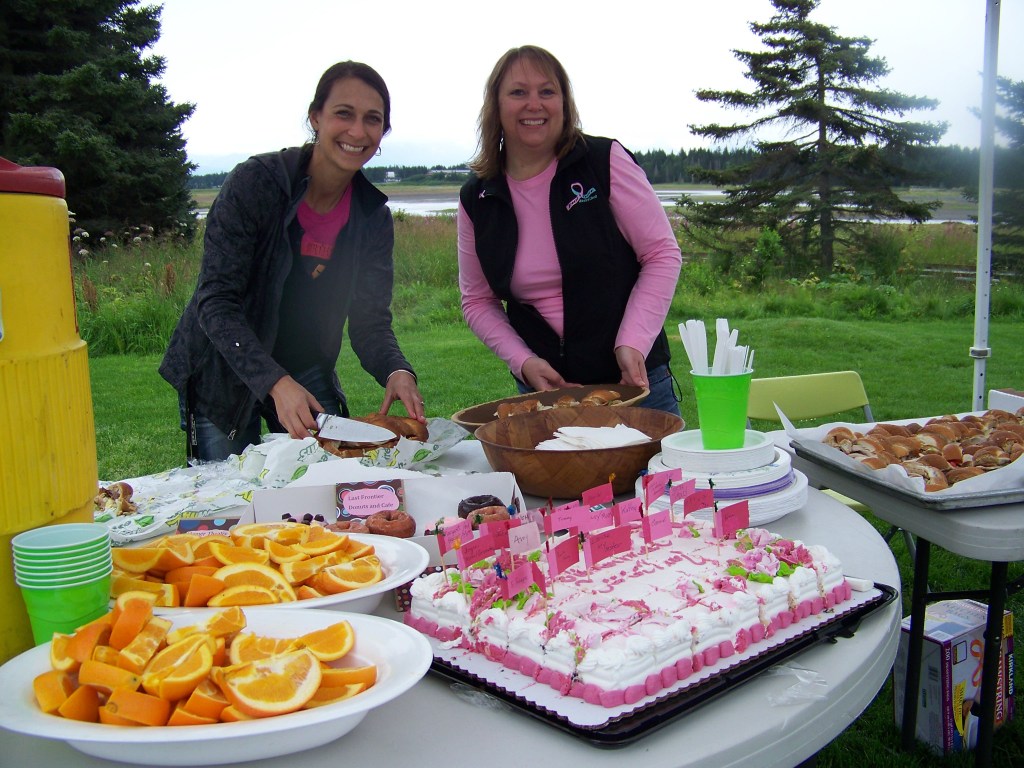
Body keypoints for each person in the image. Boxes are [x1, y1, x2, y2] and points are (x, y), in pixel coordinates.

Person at [160, 61, 424, 463]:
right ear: (315, 117)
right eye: (343, 114)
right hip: (224, 367)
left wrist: (396, 371)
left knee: (336, 478)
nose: (358, 131)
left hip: (306, 363)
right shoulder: (256, 183)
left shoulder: (372, 218)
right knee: (229, 497)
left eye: (373, 120)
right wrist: (275, 383)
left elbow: (371, 321)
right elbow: (215, 302)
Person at [457, 45, 682, 415]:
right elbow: (477, 300)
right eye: (518, 92)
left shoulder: (603, 161)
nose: (535, 104)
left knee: (654, 476)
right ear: (496, 106)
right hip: (547, 393)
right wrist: (523, 361)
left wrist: (633, 342)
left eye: (547, 91)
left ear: (565, 103)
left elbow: (661, 254)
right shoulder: (476, 197)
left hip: (634, 382)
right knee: (549, 475)